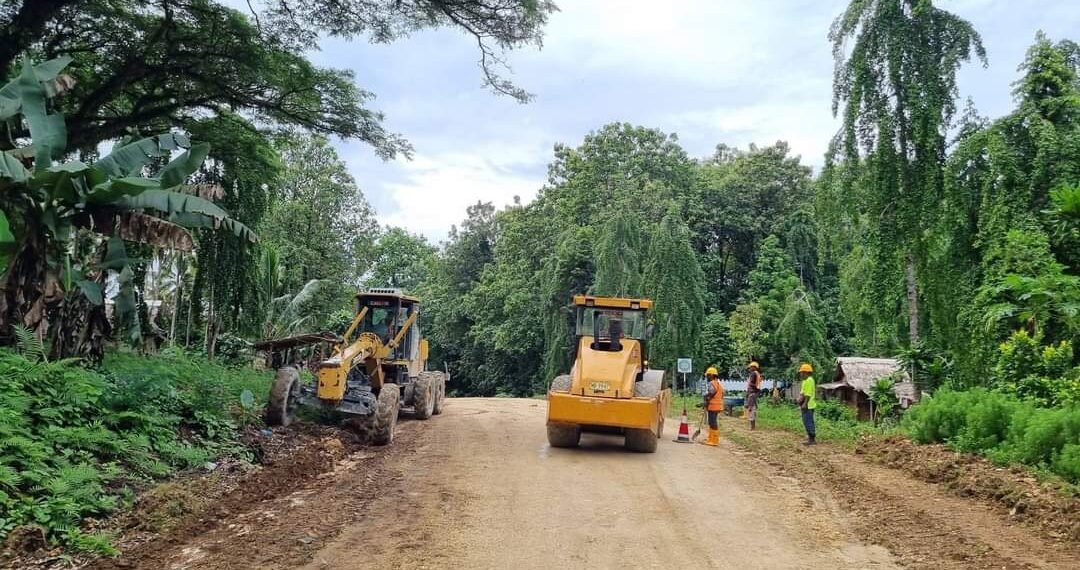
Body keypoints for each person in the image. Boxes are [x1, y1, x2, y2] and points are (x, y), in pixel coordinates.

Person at [701, 366, 724, 447]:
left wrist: (706, 397)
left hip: (714, 406)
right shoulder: (718, 383)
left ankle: (714, 440)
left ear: (712, 375)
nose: (707, 377)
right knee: (711, 422)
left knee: (713, 422)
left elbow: (712, 393)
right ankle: (710, 438)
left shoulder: (712, 383)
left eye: (708, 375)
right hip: (717, 405)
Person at [796, 363, 817, 445]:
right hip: (805, 404)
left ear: (806, 372)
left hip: (808, 405)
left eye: (801, 372)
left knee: (808, 421)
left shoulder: (809, 380)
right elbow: (802, 393)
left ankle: (812, 439)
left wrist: (804, 404)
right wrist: (799, 399)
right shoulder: (805, 381)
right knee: (806, 421)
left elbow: (808, 395)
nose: (800, 374)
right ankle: (810, 436)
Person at [745, 361, 763, 431]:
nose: (749, 368)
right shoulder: (758, 374)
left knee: (751, 408)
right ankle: (753, 426)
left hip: (752, 393)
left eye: (751, 367)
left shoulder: (753, 374)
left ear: (754, 367)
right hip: (755, 393)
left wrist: (749, 384)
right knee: (753, 408)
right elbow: (757, 384)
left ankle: (752, 427)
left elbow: (752, 384)